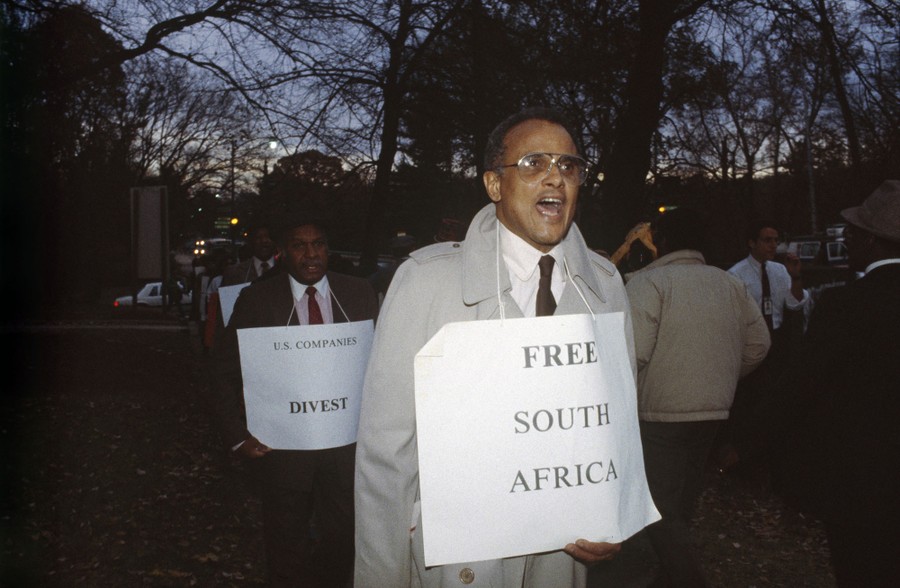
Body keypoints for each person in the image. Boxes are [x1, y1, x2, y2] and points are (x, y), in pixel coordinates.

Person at [354, 107, 633, 587]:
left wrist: (613, 513)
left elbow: (616, 426)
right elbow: (386, 454)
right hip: (458, 560)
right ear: (494, 185)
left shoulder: (606, 286)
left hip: (558, 558)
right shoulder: (425, 282)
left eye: (568, 166)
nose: (556, 178)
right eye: (533, 164)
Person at [727, 179, 900, 587]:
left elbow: (800, 387)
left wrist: (744, 440)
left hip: (865, 481)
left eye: (854, 233)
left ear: (870, 241)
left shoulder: (845, 306)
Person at [211, 219, 378, 588]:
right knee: (286, 547)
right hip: (282, 449)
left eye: (318, 244)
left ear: (328, 249)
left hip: (346, 449)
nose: (311, 254)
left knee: (345, 541)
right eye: (299, 246)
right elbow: (222, 372)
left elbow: (383, 366)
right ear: (283, 253)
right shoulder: (256, 299)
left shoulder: (359, 293)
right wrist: (237, 437)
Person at [624, 208, 771, 587]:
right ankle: (668, 578)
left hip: (660, 415)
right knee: (681, 503)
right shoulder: (729, 283)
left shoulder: (649, 283)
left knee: (657, 510)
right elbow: (759, 343)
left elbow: (632, 353)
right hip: (713, 412)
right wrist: (718, 379)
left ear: (663, 241)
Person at [716, 219, 810, 470]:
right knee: (750, 401)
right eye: (767, 240)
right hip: (751, 345)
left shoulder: (780, 271)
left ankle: (773, 454)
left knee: (777, 398)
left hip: (777, 343)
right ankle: (743, 456)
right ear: (752, 242)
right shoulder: (736, 275)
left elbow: (795, 304)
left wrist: (796, 277)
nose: (773, 245)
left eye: (775, 240)